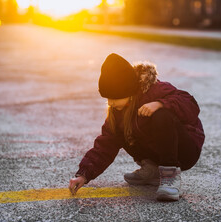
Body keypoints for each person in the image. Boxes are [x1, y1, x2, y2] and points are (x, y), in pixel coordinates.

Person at [68, 53, 205, 201]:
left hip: (184, 151)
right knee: (119, 129)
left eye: (114, 97)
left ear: (128, 91)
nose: (110, 103)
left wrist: (159, 104)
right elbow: (105, 145)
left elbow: (190, 104)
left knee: (161, 115)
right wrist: (84, 175)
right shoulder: (117, 111)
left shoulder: (155, 90)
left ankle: (169, 175)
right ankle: (152, 169)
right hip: (158, 151)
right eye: (108, 98)